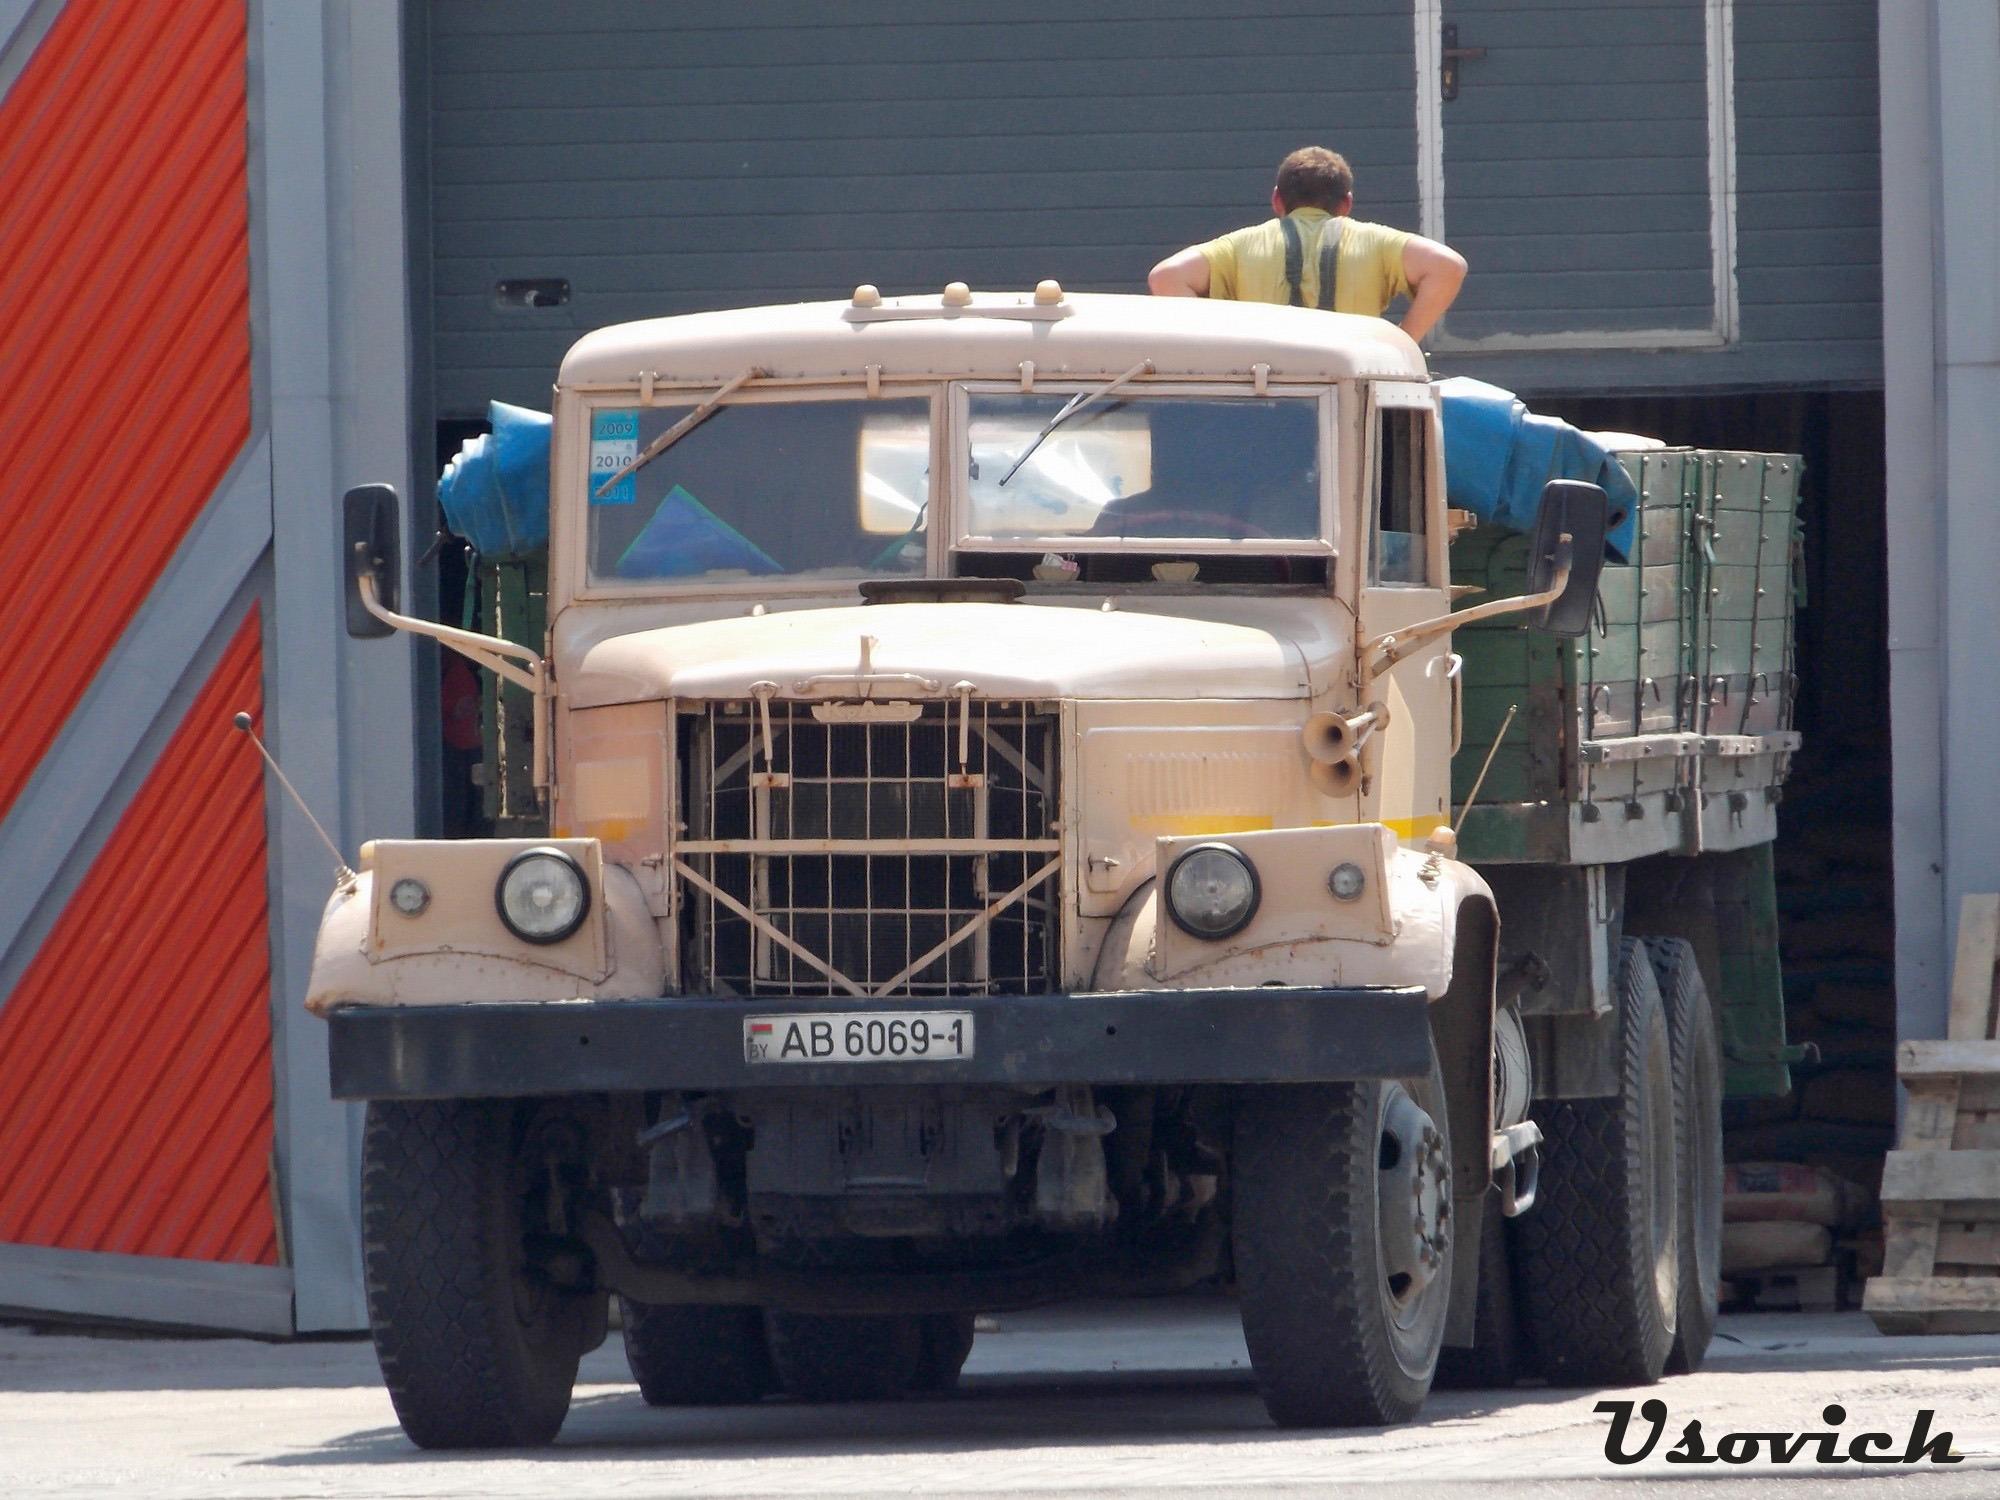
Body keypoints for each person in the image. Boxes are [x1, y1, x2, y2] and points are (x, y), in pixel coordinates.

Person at [1147, 146, 1467, 341]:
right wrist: (1404, 342)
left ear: (1277, 200)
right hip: (1356, 387)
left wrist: (1223, 345)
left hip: (1266, 388)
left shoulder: (1240, 246)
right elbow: (1449, 266)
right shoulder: (1377, 242)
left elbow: (1165, 277)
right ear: (1346, 203)